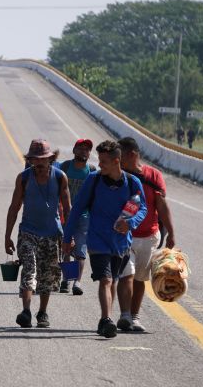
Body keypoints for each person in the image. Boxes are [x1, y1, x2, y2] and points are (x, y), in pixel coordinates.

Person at [63, 140, 147, 338]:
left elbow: (142, 207)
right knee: (106, 279)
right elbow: (77, 209)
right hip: (97, 240)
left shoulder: (132, 182)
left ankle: (105, 319)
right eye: (99, 160)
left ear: (117, 161)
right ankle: (106, 319)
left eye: (103, 161)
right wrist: (67, 237)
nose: (99, 165)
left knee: (114, 280)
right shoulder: (93, 180)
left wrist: (131, 222)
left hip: (121, 242)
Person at [5, 139, 71, 328]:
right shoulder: (24, 178)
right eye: (35, 159)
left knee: (47, 275)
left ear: (51, 158)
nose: (40, 163)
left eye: (44, 159)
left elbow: (68, 209)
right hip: (28, 232)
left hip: (52, 234)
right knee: (29, 269)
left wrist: (69, 236)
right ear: (30, 160)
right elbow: (14, 207)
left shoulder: (60, 177)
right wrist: (7, 236)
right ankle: (26, 311)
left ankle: (42, 313)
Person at [119, 137, 175, 332]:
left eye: (121, 157)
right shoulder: (119, 177)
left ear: (132, 155)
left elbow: (162, 206)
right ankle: (124, 315)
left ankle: (134, 316)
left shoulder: (154, 176)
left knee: (140, 278)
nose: (118, 162)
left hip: (150, 237)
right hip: (125, 236)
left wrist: (172, 234)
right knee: (127, 274)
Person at [58, 139, 95, 295]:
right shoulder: (65, 167)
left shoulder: (92, 171)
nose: (83, 152)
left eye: (86, 149)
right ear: (74, 150)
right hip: (66, 214)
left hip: (84, 217)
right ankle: (66, 280)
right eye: (80, 148)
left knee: (80, 250)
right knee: (66, 248)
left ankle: (77, 282)